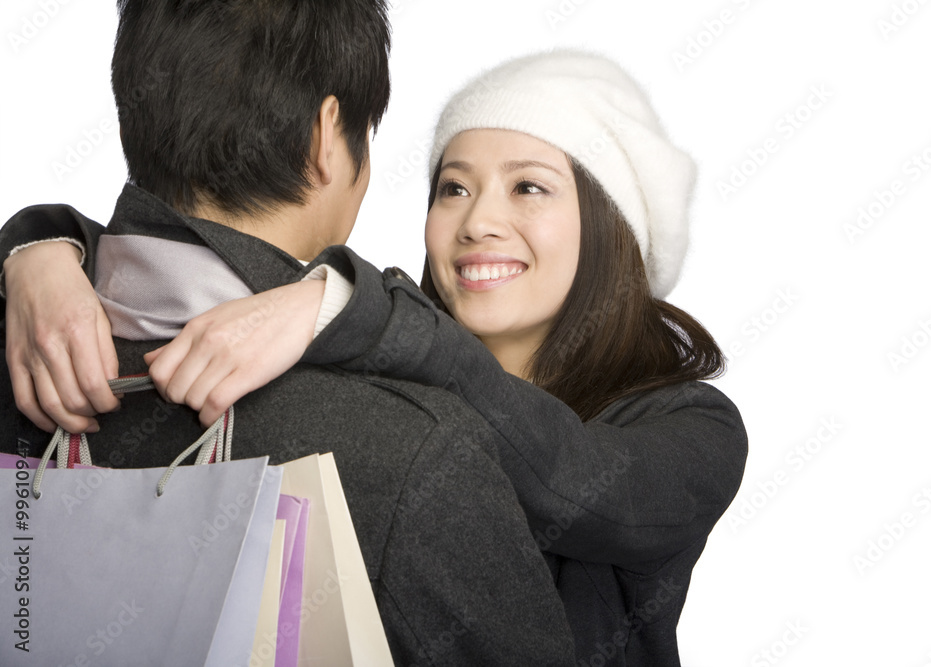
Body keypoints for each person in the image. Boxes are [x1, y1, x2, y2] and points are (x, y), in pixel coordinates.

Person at [2, 51, 748, 666]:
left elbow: (574, 481)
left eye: (529, 187)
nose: (478, 220)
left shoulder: (694, 425)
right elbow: (180, 266)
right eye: (453, 186)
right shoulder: (384, 374)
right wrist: (38, 247)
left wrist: (341, 306)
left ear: (613, 226)